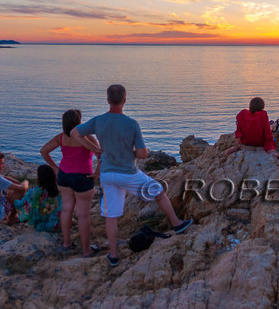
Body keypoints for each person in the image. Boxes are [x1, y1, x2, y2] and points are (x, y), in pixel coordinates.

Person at [73, 84, 193, 267]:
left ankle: (114, 255)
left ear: (107, 100)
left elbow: (75, 133)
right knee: (159, 192)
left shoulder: (98, 121)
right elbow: (143, 154)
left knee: (111, 216)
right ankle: (177, 223)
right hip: (128, 173)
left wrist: (95, 149)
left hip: (107, 174)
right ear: (124, 100)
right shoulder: (131, 124)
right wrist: (134, 153)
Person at [39, 109, 101, 254]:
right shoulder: (88, 138)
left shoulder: (61, 137)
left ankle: (66, 244)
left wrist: (55, 167)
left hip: (64, 176)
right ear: (79, 122)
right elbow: (100, 155)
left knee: (67, 209)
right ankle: (86, 250)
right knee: (83, 215)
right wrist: (97, 173)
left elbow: (43, 151)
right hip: (83, 177)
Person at [15, 165, 62, 233]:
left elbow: (22, 204)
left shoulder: (34, 191)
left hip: (40, 226)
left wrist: (13, 201)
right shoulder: (59, 192)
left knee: (22, 203)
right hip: (57, 225)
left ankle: (11, 219)